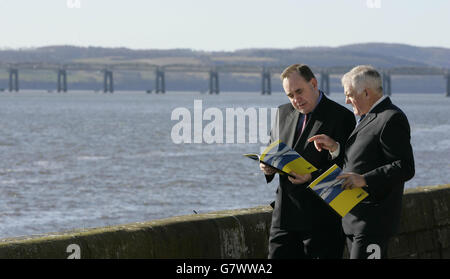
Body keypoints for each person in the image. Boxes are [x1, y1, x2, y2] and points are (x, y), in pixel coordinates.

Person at [308, 65, 415, 259]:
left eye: (349, 95)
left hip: (373, 222)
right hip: (354, 219)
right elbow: (364, 158)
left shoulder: (391, 118)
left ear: (366, 93)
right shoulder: (369, 117)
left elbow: (405, 167)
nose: (347, 100)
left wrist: (364, 179)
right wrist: (335, 148)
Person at [260, 64, 356, 259]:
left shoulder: (341, 116)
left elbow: (350, 165)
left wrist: (312, 175)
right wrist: (267, 167)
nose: (296, 100)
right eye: (290, 95)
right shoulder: (282, 112)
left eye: (299, 92)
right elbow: (272, 149)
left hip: (321, 219)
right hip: (284, 215)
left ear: (313, 83)